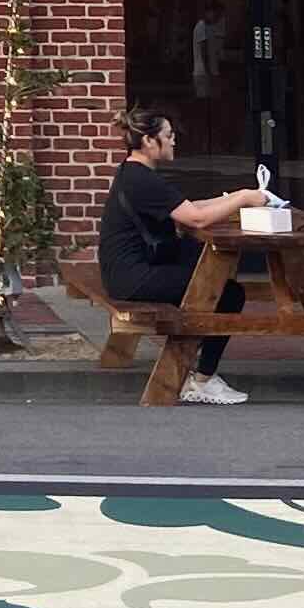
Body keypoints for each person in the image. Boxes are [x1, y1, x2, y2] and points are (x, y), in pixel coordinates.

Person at [99, 110, 273, 406]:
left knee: (206, 266)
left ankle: (199, 366)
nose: (174, 140)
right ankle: (202, 380)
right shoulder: (142, 180)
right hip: (133, 279)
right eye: (168, 136)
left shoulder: (134, 173)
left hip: (127, 270)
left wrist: (231, 198)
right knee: (226, 294)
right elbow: (197, 219)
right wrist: (244, 198)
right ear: (149, 142)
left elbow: (189, 206)